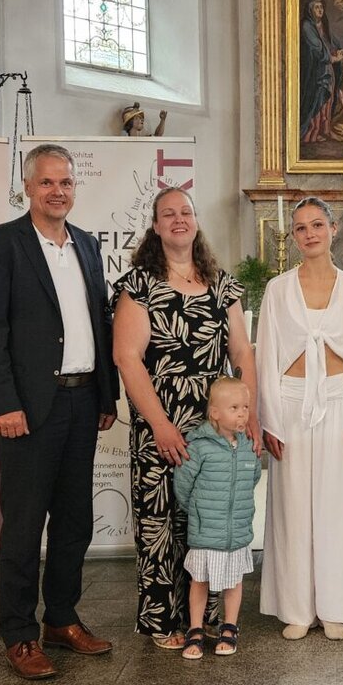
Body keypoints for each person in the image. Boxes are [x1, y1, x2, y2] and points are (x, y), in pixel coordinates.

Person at [0, 143, 120, 680]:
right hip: (29, 408)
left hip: (83, 401)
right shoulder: (0, 246)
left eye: (66, 183)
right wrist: (4, 403)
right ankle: (19, 634)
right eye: (47, 183)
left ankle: (61, 618)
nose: (58, 191)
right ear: (28, 187)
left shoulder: (86, 244)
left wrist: (107, 395)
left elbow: (98, 323)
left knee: (74, 519)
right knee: (25, 523)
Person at [111, 186, 260, 650]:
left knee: (207, 519)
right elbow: (127, 358)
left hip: (215, 426)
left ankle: (206, 616)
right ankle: (163, 619)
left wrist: (248, 413)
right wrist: (159, 424)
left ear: (196, 221)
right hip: (163, 422)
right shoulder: (138, 284)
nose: (179, 219)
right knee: (161, 522)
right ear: (155, 226)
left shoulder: (223, 284)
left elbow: (241, 352)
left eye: (187, 212)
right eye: (168, 213)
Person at [257, 196, 343, 641]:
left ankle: (335, 605)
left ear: (333, 229)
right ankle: (296, 607)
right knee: (291, 504)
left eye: (316, 225)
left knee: (336, 506)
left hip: (337, 399)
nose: (309, 233)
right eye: (300, 228)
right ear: (293, 236)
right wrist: (269, 419)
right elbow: (267, 355)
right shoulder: (277, 289)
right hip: (291, 402)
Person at [173, 377, 261, 659]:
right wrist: (199, 512)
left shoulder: (247, 446)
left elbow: (253, 478)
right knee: (199, 580)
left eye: (245, 407)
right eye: (234, 407)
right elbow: (183, 486)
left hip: (237, 530)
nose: (242, 414)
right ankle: (196, 629)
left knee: (234, 581)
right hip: (206, 529)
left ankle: (230, 627)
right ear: (215, 413)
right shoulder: (200, 446)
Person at [300, 0, 343, 143]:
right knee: (318, 98)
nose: (320, 10)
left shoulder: (324, 27)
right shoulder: (307, 26)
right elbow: (317, 48)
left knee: (328, 99)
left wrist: (338, 52)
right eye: (316, 7)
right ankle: (313, 130)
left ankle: (324, 130)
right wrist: (333, 58)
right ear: (310, 10)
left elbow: (329, 44)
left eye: (321, 7)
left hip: (327, 70)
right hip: (315, 71)